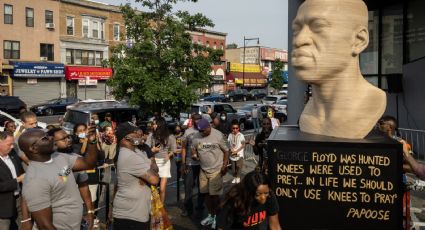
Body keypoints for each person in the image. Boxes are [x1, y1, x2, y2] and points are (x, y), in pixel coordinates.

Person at [292, 0, 386, 139]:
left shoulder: (370, 104)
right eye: (296, 30)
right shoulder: (308, 116)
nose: (299, 40)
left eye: (318, 26)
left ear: (359, 40)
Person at [19, 128, 99, 230]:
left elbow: (88, 163)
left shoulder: (60, 157)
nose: (51, 137)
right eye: (45, 138)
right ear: (33, 148)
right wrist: (25, 220)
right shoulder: (35, 179)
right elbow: (44, 225)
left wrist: (92, 142)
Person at [112, 122, 159, 230]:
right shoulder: (129, 156)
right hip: (129, 215)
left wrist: (152, 168)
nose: (139, 134)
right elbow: (155, 179)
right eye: (135, 132)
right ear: (126, 137)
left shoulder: (137, 151)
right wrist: (151, 167)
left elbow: (155, 168)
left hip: (138, 211)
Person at [47, 128, 95, 230]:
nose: (68, 140)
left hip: (73, 215)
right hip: (54, 216)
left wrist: (90, 211)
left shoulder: (76, 158)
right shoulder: (48, 160)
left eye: (68, 137)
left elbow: (84, 187)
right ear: (52, 142)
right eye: (63, 139)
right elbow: (61, 180)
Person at [191, 118, 230, 229]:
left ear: (209, 127)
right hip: (203, 170)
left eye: (203, 131)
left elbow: (226, 150)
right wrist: (194, 154)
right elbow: (193, 147)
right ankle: (211, 215)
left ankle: (218, 217)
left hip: (216, 170)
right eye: (200, 131)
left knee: (215, 196)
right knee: (206, 195)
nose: (201, 133)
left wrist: (224, 165)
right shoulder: (196, 135)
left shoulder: (218, 135)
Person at [216, 170, 282, 230]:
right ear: (248, 192)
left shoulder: (270, 197)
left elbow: (275, 226)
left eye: (266, 193)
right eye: (258, 194)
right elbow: (221, 227)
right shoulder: (234, 200)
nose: (263, 197)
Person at [147, 117, 177, 204]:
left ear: (160, 124)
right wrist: (152, 150)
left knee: (162, 188)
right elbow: (146, 148)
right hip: (153, 162)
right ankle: (154, 206)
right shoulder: (151, 135)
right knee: (153, 186)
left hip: (165, 163)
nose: (153, 125)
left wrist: (169, 154)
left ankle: (161, 208)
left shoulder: (170, 136)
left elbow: (174, 149)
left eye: (154, 123)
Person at [180, 114, 204, 217]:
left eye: (199, 119)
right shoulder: (188, 132)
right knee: (188, 188)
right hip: (190, 163)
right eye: (196, 119)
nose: (197, 121)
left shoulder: (205, 130)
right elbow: (184, 148)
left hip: (202, 164)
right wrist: (183, 163)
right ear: (192, 120)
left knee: (202, 188)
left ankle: (200, 206)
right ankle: (188, 209)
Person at [0, 131, 25, 230]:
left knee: (24, 226)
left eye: (12, 144)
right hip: (3, 205)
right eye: (9, 144)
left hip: (19, 199)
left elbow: (21, 171)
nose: (11, 147)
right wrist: (18, 180)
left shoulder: (13, 153)